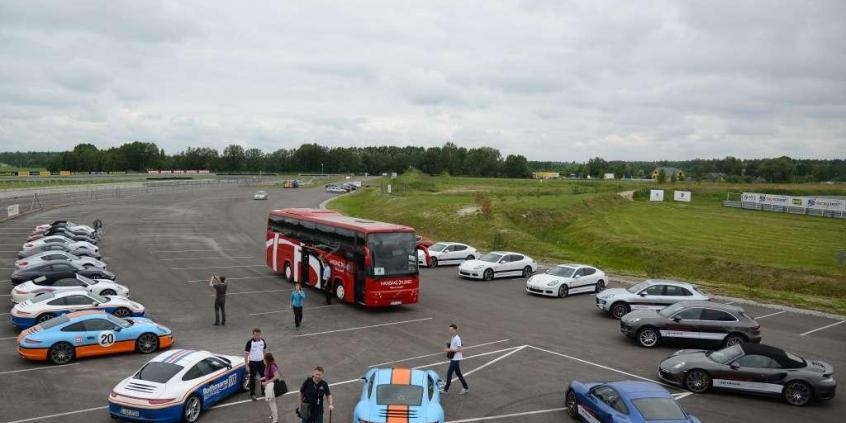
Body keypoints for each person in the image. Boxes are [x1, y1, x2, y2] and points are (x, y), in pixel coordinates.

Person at [441, 323, 469, 394]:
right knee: (458, 374)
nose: (450, 331)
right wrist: (449, 345)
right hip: (454, 359)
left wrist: (449, 350)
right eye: (449, 329)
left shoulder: (457, 338)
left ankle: (445, 390)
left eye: (451, 330)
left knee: (449, 374)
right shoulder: (453, 337)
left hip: (456, 359)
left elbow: (459, 349)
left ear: (455, 330)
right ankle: (465, 387)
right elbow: (455, 346)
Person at [244, 328, 268, 400]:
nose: (257, 336)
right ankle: (252, 394)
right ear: (253, 334)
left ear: (260, 334)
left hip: (261, 362)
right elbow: (246, 354)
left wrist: (265, 361)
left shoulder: (262, 341)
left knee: (264, 377)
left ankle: (264, 391)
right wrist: (246, 365)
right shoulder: (249, 343)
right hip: (253, 363)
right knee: (252, 378)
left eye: (258, 335)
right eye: (255, 335)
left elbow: (264, 351)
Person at [261, 352, 281, 423]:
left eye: (264, 359)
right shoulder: (268, 365)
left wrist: (266, 382)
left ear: (267, 359)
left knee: (272, 403)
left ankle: (275, 420)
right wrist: (262, 378)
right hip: (269, 386)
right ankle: (273, 415)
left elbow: (276, 376)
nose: (263, 360)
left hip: (271, 386)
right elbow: (267, 375)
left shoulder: (272, 366)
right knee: (271, 402)